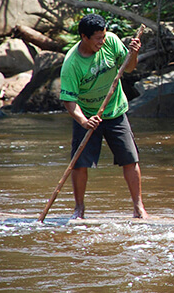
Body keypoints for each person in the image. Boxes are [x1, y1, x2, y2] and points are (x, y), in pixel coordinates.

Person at [59, 13, 147, 219]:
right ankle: (79, 208)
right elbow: (69, 102)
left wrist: (133, 54)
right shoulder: (72, 64)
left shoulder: (111, 42)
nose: (102, 41)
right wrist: (84, 121)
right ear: (84, 37)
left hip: (115, 110)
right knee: (80, 164)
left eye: (103, 36)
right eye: (97, 38)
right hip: (88, 114)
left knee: (130, 159)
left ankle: (138, 207)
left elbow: (129, 67)